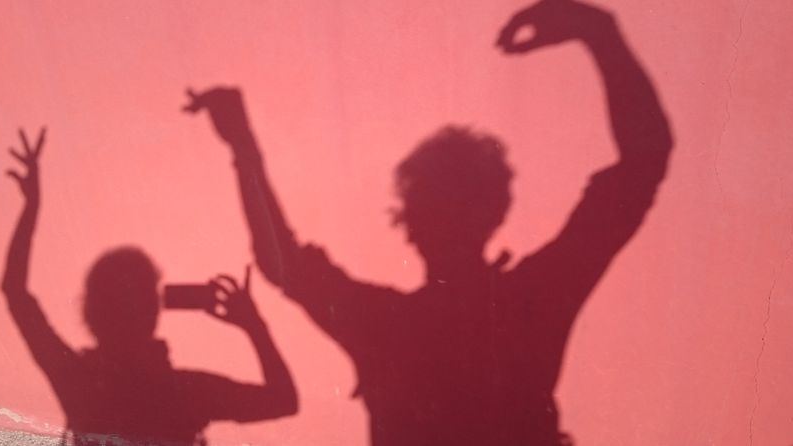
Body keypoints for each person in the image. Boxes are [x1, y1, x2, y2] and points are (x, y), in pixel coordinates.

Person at [185, 1, 672, 444]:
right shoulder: (532, 300)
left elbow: (281, 262)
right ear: (494, 210)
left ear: (409, 220)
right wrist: (598, 33)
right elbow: (644, 163)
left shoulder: (386, 326)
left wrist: (243, 147)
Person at [0, 128, 297, 445]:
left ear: (91, 312)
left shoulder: (78, 384)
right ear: (155, 311)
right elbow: (283, 401)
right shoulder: (185, 393)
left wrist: (31, 207)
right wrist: (254, 326)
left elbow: (15, 292)